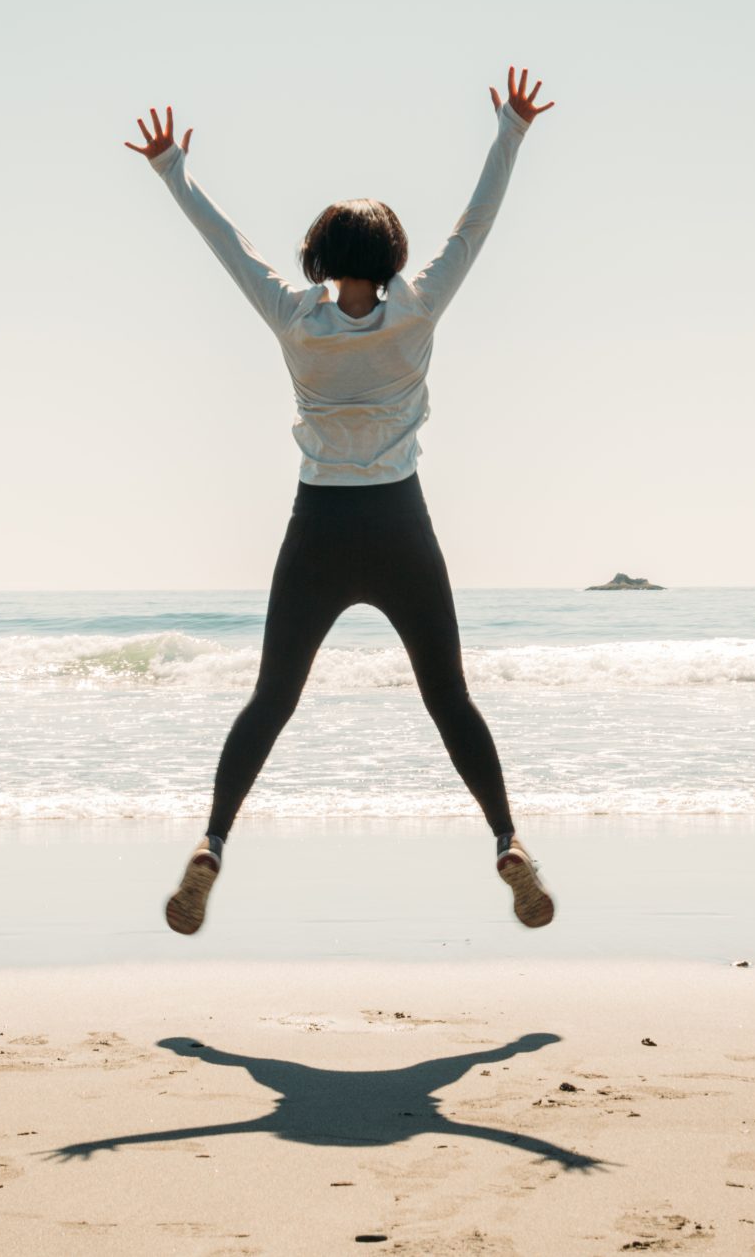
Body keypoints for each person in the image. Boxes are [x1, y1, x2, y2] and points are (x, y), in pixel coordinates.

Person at [125, 67, 557, 936]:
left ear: (320, 258)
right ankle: (509, 843)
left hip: (319, 527)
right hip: (400, 525)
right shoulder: (419, 310)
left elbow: (231, 248)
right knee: (449, 696)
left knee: (271, 698)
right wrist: (510, 132)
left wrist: (174, 170)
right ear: (392, 257)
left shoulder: (294, 319)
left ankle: (211, 845)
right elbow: (477, 225)